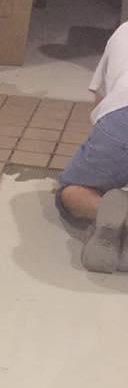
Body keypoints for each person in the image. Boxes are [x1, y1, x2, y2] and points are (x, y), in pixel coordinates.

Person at [56, 21, 128, 273]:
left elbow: (99, 103)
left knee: (70, 191)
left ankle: (108, 212)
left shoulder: (123, 31)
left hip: (122, 120)